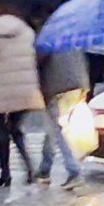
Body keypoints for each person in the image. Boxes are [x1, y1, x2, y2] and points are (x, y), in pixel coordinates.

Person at [0, 5, 44, 188]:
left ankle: (5, 173)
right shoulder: (26, 30)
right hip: (26, 87)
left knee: (2, 130)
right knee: (15, 127)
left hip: (2, 87)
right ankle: (30, 168)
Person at [36, 49, 88, 189]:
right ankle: (44, 169)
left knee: (56, 130)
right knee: (53, 128)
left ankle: (74, 170)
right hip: (78, 82)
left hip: (57, 87)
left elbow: (38, 59)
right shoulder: (69, 30)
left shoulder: (46, 36)